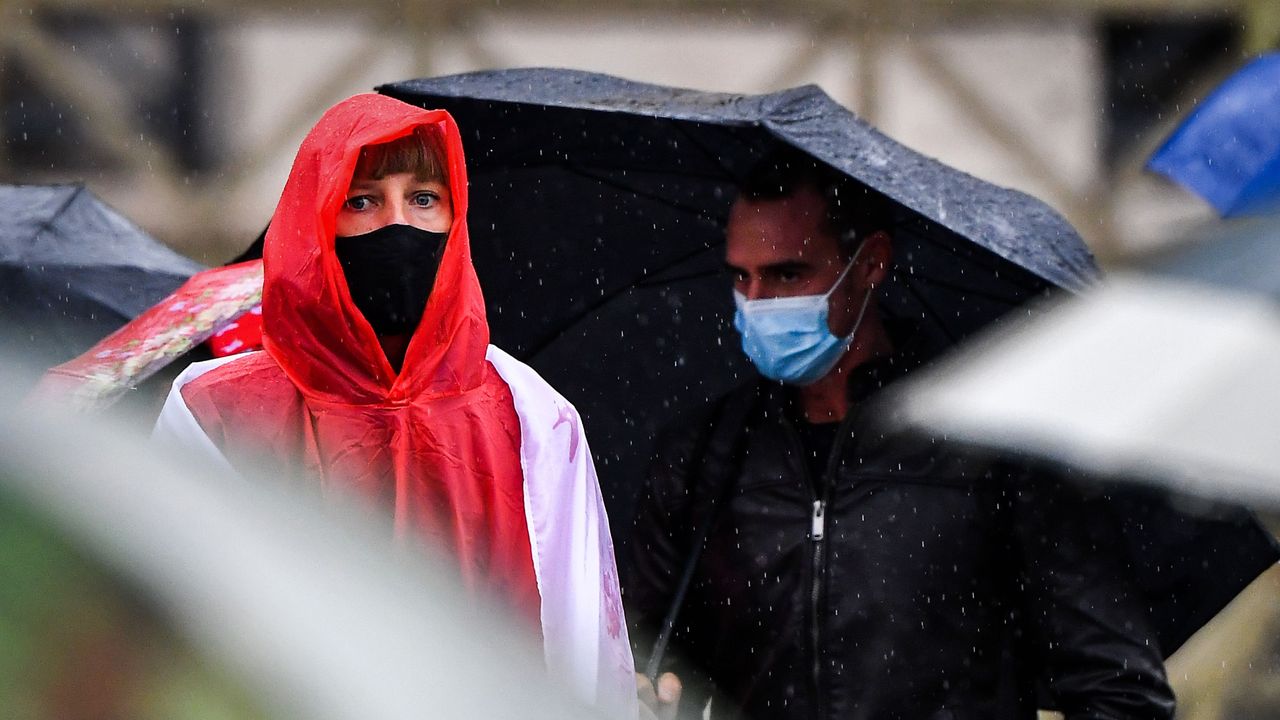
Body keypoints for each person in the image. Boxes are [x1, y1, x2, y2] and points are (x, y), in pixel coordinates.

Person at [626, 147, 1176, 720]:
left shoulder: (990, 444)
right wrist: (643, 697)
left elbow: (1120, 695)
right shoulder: (704, 455)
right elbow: (645, 661)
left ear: (870, 264)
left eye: (788, 274)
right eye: (741, 277)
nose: (757, 304)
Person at [152, 94, 635, 717]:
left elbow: (582, 661)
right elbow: (187, 633)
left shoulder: (532, 417)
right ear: (317, 219)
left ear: (454, 217)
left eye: (424, 198)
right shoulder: (213, 413)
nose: (397, 223)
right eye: (362, 200)